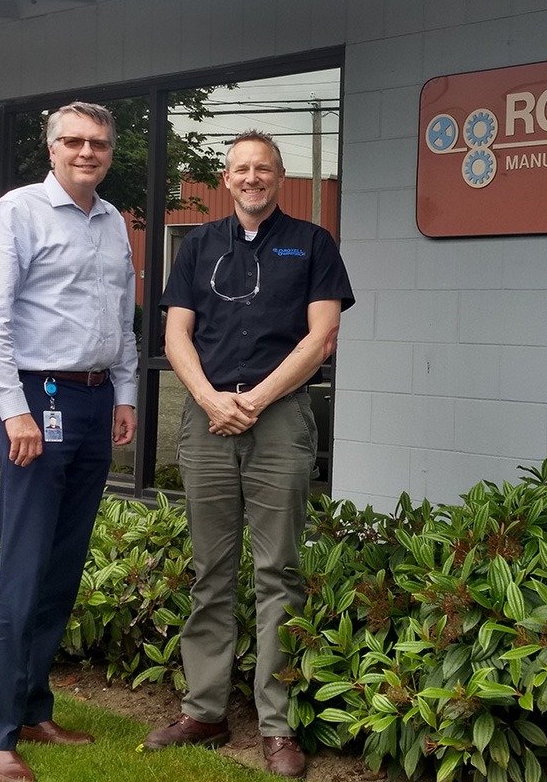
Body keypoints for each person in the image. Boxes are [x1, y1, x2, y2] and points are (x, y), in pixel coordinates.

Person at [142, 130, 354, 777]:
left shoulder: (313, 243)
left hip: (280, 418)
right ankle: (204, 710)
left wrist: (255, 400)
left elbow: (322, 336)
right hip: (208, 420)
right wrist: (209, 399)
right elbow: (175, 333)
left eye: (263, 167)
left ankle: (277, 724)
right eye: (241, 168)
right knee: (211, 572)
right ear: (227, 179)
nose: (252, 177)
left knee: (278, 574)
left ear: (278, 176)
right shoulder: (198, 245)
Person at [0, 102, 137, 782]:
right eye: (73, 140)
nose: (86, 151)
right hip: (39, 403)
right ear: (51, 147)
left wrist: (126, 395)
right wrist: (13, 411)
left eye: (98, 142)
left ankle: (35, 706)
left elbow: (124, 318)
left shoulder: (115, 221)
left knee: (63, 566)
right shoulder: (18, 212)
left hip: (96, 401)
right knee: (23, 567)